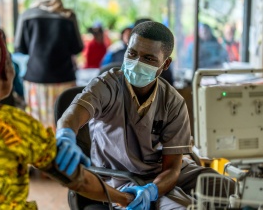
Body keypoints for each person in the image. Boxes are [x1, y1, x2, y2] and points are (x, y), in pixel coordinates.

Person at [0, 24, 135, 210]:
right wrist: (126, 198)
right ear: (3, 74)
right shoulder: (16, 125)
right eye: (10, 63)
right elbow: (81, 180)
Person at [56, 21, 234, 209]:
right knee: (179, 206)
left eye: (148, 58)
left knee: (231, 189)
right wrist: (65, 134)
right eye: (132, 54)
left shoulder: (173, 101)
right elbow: (74, 113)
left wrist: (153, 189)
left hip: (164, 174)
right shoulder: (106, 86)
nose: (136, 63)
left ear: (165, 64)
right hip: (123, 178)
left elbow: (173, 167)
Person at [14, 0, 83, 130]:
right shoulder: (69, 16)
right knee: (64, 123)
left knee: (38, 127)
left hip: (36, 80)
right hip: (64, 79)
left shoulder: (27, 15)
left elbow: (19, 47)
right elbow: (77, 47)